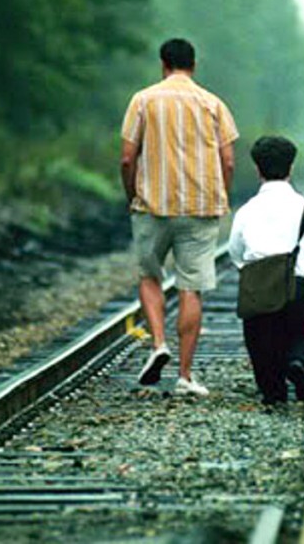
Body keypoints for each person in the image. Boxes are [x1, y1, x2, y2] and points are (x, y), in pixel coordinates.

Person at [120, 38, 239, 397]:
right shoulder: (213, 103)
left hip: (151, 205)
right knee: (192, 288)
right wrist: (221, 196)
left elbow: (127, 157)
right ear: (194, 65)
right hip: (200, 208)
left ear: (163, 64)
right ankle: (186, 376)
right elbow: (229, 160)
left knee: (149, 276)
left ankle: (158, 344)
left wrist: (132, 195)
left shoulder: (143, 100)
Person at [228, 136, 304, 405]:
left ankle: (273, 391)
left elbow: (235, 251)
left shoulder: (247, 210)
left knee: (262, 345)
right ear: (291, 168)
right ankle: (298, 363)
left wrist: (256, 273)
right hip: (298, 286)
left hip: (260, 290)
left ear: (257, 169)